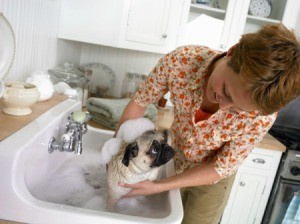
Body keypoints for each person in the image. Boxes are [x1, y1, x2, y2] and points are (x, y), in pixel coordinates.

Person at [115, 23, 300, 224]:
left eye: (238, 109)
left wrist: (159, 186)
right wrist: (117, 156)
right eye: (227, 91)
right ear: (232, 53)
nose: (223, 105)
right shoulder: (180, 62)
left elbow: (220, 167)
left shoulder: (262, 117)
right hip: (172, 158)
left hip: (210, 179)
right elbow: (140, 101)